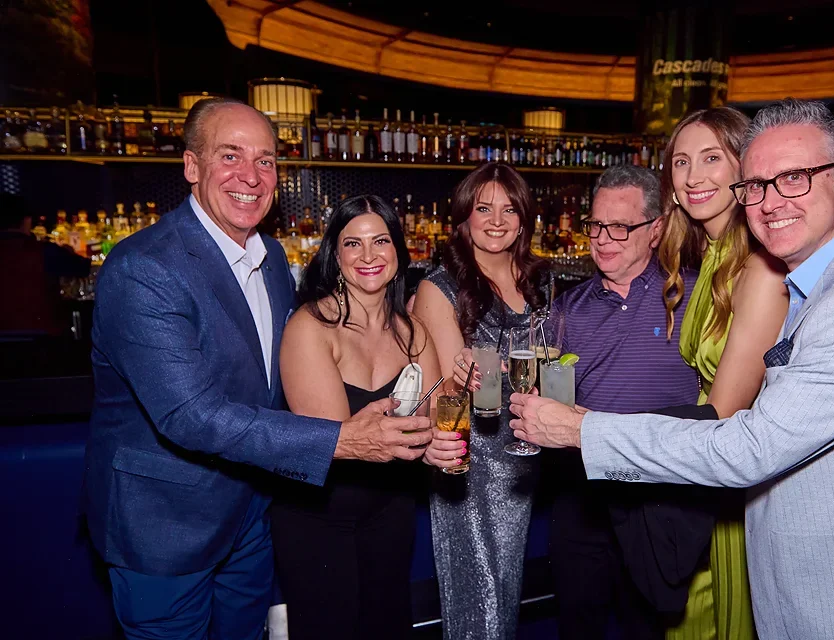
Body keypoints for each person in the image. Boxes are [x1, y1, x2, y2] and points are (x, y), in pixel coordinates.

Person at [508, 98, 834, 639]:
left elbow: (749, 442)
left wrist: (584, 428)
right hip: (790, 562)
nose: (771, 201)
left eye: (795, 177)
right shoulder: (806, 278)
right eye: (758, 185)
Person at [82, 97, 432, 640]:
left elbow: (271, 389)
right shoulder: (144, 269)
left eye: (265, 160)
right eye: (231, 156)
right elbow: (190, 416)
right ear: (192, 166)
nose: (250, 175)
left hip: (251, 518)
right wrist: (341, 440)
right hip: (167, 524)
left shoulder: (268, 259)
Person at [541, 164, 704, 638]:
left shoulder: (692, 296)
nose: (603, 238)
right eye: (596, 225)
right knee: (578, 626)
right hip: (583, 498)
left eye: (621, 226)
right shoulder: (567, 309)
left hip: (659, 499)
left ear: (655, 230)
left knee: (648, 628)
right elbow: (546, 395)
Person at [269, 194, 441, 639]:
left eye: (380, 241)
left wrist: (452, 412)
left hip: (390, 510)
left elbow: (434, 420)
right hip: (319, 517)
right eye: (353, 243)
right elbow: (337, 444)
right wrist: (419, 437)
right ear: (334, 254)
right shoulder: (311, 326)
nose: (368, 256)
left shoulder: (413, 331)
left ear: (398, 253)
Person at [658, 107, 788, 640]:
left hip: (733, 474)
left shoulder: (758, 263)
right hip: (704, 470)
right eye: (681, 161)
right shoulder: (710, 255)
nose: (693, 177)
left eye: (712, 158)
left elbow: (727, 409)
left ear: (745, 166)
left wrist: (604, 436)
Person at [417, 162, 552, 639]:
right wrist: (463, 372)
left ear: (524, 217)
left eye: (509, 208)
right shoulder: (440, 287)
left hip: (525, 453)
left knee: (510, 590)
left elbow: (554, 364)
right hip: (469, 464)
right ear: (463, 215)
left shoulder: (541, 279)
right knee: (478, 600)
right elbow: (445, 394)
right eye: (483, 208)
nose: (497, 220)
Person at [0, 192, 90, 336]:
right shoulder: (43, 251)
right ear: (27, 220)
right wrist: (69, 253)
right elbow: (84, 268)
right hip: (42, 339)